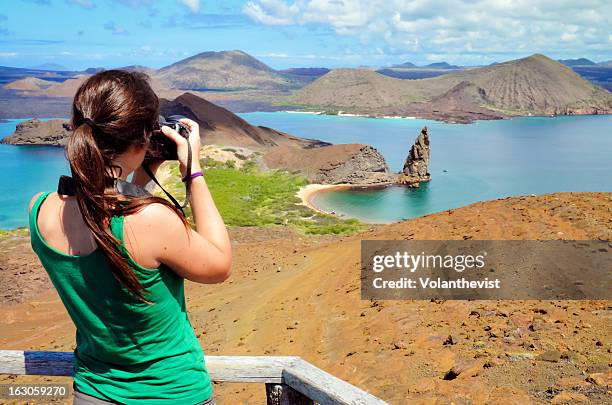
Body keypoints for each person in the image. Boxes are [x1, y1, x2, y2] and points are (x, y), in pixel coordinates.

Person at [27, 70, 232, 405]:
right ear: (142, 140)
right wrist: (193, 172)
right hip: (171, 394)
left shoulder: (40, 211)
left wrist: (138, 169)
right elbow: (219, 265)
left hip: (93, 392)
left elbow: (103, 209)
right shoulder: (151, 219)